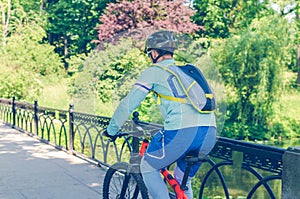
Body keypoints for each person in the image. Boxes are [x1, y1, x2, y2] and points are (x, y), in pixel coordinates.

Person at [104, 30, 216, 199]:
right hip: (208, 134)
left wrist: (111, 130)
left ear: (154, 53)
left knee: (147, 166)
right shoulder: (186, 71)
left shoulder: (154, 71)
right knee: (181, 182)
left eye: (150, 54)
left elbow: (128, 104)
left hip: (181, 133)